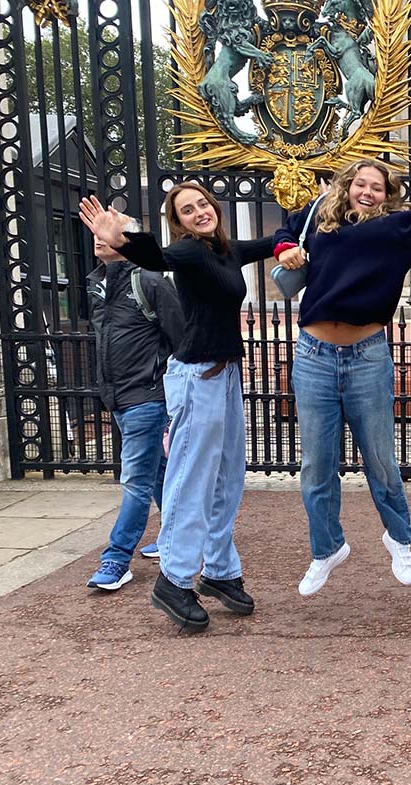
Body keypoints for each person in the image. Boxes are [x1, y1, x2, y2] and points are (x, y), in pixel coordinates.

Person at [80, 183, 278, 632]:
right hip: (196, 378)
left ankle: (220, 571)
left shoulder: (225, 250)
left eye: (203, 204)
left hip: (225, 375)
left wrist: (325, 201)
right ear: (179, 222)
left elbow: (273, 239)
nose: (199, 212)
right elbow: (157, 258)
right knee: (191, 480)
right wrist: (122, 239)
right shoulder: (189, 252)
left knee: (229, 475)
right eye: (187, 210)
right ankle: (174, 579)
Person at [273, 155, 411, 596]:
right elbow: (287, 230)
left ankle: (399, 539)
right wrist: (287, 248)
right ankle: (326, 549)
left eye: (376, 187)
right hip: (314, 355)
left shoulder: (399, 227)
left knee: (379, 459)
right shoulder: (322, 215)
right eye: (361, 183)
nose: (367, 191)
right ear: (347, 186)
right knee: (316, 466)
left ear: (387, 193)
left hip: (367, 356)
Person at [85, 217, 182, 591]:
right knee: (158, 473)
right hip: (118, 397)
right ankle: (180, 536)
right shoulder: (97, 283)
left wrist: (169, 396)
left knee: (136, 480)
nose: (98, 238)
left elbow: (179, 337)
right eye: (94, 231)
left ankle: (116, 558)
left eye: (107, 231)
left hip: (146, 396)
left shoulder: (150, 280)